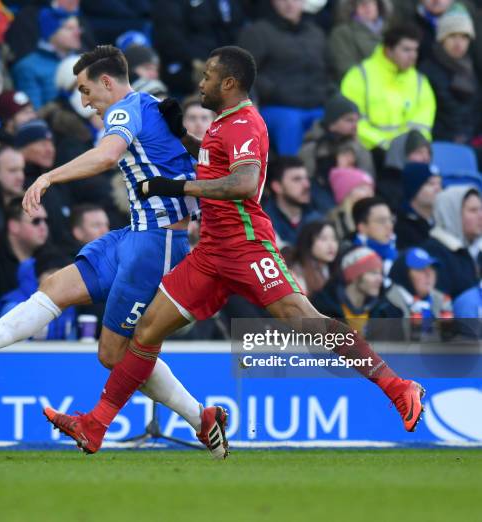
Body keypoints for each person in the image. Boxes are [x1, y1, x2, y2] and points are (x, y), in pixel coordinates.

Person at [38, 46, 426, 454]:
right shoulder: (224, 124)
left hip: (245, 245)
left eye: (207, 76)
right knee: (147, 330)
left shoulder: (244, 124)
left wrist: (176, 187)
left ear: (229, 83)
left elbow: (241, 184)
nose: (200, 83)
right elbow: (215, 169)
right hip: (210, 253)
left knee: (305, 322)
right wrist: (182, 137)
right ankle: (96, 423)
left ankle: (397, 386)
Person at [0, 44, 226, 459]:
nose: (85, 103)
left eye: (86, 91)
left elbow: (106, 156)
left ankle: (199, 417)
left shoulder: (125, 109)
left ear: (107, 82)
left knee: (113, 354)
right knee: (55, 286)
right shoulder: (153, 105)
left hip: (158, 243)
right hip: (134, 234)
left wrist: (48, 177)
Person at [238, 0, 328, 154]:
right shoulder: (258, 32)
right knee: (289, 122)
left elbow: (329, 70)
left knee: (339, 117)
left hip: (316, 104)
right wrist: (267, 90)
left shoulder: (316, 34)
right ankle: (288, 171)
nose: (289, 4)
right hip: (276, 106)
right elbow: (242, 70)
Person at [341, 24, 436, 155]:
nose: (413, 56)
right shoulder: (359, 76)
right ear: (388, 50)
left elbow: (422, 125)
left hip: (408, 153)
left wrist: (406, 147)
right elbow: (353, 122)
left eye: (415, 50)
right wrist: (386, 145)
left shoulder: (420, 82)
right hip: (370, 151)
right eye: (406, 50)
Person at [299, 93, 375, 213]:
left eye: (356, 121)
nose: (355, 126)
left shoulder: (359, 149)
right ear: (332, 124)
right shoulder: (311, 149)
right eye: (349, 120)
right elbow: (305, 182)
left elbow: (368, 181)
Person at [419, 6, 481, 143]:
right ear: (442, 38)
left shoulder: (473, 66)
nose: (459, 43)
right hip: (442, 143)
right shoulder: (427, 70)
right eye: (452, 36)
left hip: (473, 141)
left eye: (464, 37)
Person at [374, 247, 453, 340]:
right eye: (420, 269)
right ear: (404, 275)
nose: (428, 274)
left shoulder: (442, 301)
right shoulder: (386, 309)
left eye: (431, 268)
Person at [11, 9, 83, 109]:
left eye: (78, 28)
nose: (78, 33)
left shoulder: (83, 60)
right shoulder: (27, 67)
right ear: (51, 33)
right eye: (70, 28)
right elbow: (34, 114)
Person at [422, 185, 482, 299]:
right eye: (473, 210)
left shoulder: (477, 251)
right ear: (451, 214)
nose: (481, 216)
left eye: (481, 209)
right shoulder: (434, 252)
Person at [312, 246, 384, 331]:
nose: (380, 279)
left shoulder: (381, 311)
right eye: (373, 273)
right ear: (353, 276)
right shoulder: (323, 307)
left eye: (381, 273)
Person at [262, 156, 322, 248]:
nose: (307, 185)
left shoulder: (317, 218)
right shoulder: (264, 224)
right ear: (277, 187)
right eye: (297, 179)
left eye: (306, 178)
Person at [329, 0, 394, 81]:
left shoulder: (393, 31)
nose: (367, 7)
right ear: (352, 7)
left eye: (371, 2)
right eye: (361, 3)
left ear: (379, 6)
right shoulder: (343, 33)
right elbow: (345, 67)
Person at [395, 162, 442, 249]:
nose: (438, 189)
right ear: (413, 189)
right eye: (431, 184)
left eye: (439, 183)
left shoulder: (442, 220)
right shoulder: (401, 227)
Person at [352, 197, 398, 282]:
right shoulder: (354, 260)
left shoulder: (393, 252)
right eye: (381, 221)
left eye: (391, 220)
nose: (389, 226)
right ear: (362, 228)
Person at [288, 220, 339, 298]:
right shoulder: (297, 274)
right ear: (309, 242)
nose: (331, 245)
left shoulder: (330, 269)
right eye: (323, 239)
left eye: (334, 239)